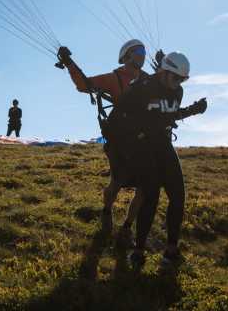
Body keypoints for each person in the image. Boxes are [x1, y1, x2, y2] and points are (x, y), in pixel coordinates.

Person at [107, 51, 207, 269]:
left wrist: (193, 110)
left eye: (183, 79)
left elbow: (168, 115)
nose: (178, 83)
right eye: (176, 78)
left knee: (178, 194)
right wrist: (134, 138)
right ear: (163, 72)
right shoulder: (140, 89)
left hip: (162, 143)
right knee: (151, 193)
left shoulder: (177, 92)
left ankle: (171, 250)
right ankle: (138, 251)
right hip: (141, 146)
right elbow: (116, 120)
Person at [57, 39, 160, 241]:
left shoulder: (149, 80)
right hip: (121, 138)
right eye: (139, 50)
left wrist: (165, 64)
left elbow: (167, 89)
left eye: (144, 51)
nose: (143, 54)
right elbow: (83, 85)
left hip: (144, 140)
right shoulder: (115, 78)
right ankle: (106, 211)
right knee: (117, 182)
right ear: (128, 55)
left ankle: (127, 227)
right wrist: (69, 63)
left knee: (144, 188)